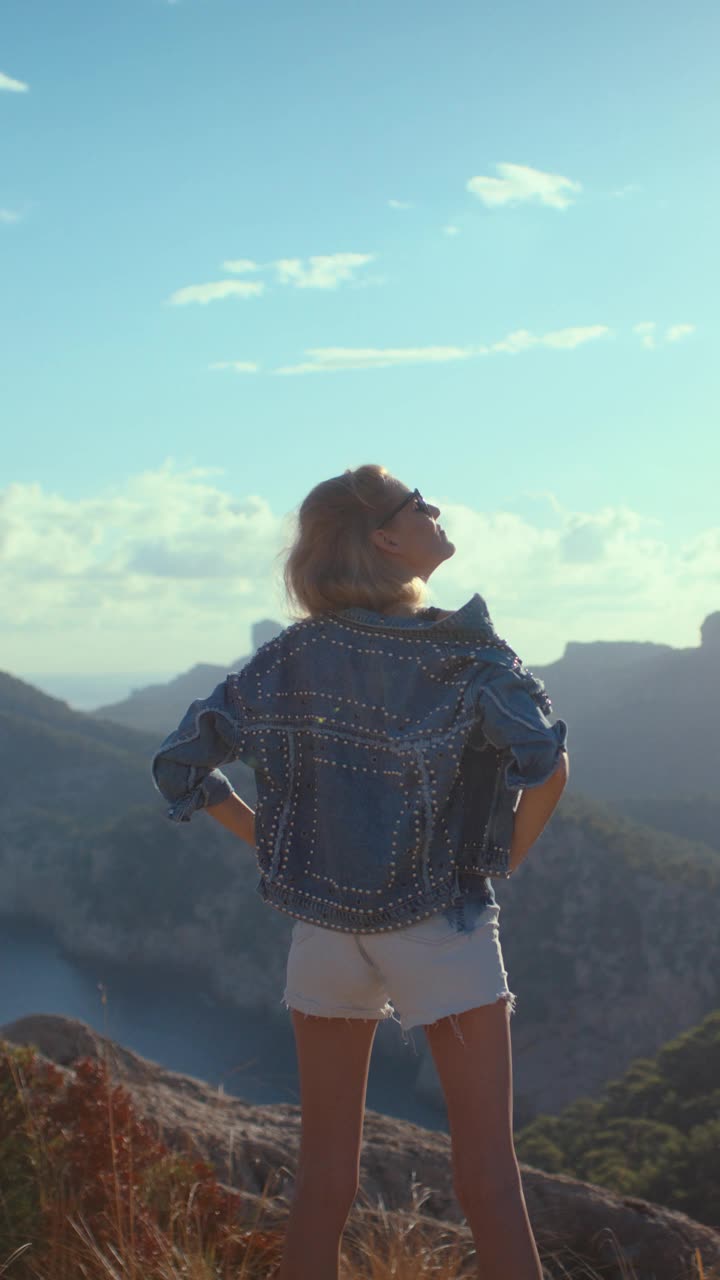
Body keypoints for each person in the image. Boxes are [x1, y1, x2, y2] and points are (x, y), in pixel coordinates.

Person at [151, 463, 569, 1280]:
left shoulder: (290, 657)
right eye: (421, 503)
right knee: (488, 1177)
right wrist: (498, 863)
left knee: (323, 1178)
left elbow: (180, 765)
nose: (437, 509)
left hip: (325, 933)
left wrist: (269, 842)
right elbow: (545, 766)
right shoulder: (465, 654)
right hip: (440, 931)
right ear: (386, 538)